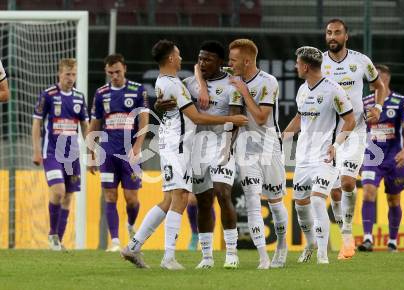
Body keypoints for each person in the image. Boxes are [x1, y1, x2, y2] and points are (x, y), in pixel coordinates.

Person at [120, 39, 247, 270]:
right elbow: (196, 118)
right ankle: (169, 257)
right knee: (179, 197)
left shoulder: (168, 81)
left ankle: (133, 246)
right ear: (170, 58)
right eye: (178, 55)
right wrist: (231, 118)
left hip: (180, 144)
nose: (183, 59)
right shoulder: (178, 85)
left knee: (170, 200)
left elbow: (171, 99)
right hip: (178, 144)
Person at [322, 18, 387, 260]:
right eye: (329, 32)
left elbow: (378, 85)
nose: (332, 37)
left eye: (337, 33)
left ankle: (347, 237)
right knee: (335, 191)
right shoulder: (319, 62)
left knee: (348, 183)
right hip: (326, 132)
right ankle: (346, 237)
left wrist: (378, 107)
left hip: (355, 130)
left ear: (346, 36)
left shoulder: (361, 61)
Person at [284, 46, 355, 264]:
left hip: (325, 157)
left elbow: (350, 120)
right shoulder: (302, 90)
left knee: (316, 201)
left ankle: (323, 256)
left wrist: (337, 144)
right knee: (300, 206)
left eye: (297, 63)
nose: (296, 66)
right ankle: (311, 243)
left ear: (305, 66)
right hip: (303, 158)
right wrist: (283, 136)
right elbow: (300, 117)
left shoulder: (333, 89)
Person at [228, 38, 289, 269]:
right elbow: (235, 117)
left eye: (233, 60)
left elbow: (262, 118)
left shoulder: (268, 82)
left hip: (269, 146)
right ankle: (263, 257)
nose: (229, 63)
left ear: (246, 61)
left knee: (275, 202)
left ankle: (281, 246)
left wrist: (243, 91)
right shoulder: (234, 83)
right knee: (253, 201)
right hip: (245, 147)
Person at [184, 40, 241, 269]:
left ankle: (231, 253)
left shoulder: (232, 85)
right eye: (200, 59)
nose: (202, 63)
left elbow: (236, 119)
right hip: (197, 147)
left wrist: (228, 148)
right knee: (203, 201)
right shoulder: (189, 84)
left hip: (221, 144)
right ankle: (206, 257)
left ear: (220, 62)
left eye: (207, 59)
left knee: (222, 193)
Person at [87, 54, 149, 252]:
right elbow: (94, 124)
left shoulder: (138, 90)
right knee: (110, 196)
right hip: (107, 152)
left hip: (129, 152)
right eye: (111, 72)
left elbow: (144, 121)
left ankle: (130, 224)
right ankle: (114, 242)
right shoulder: (101, 93)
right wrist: (90, 153)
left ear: (125, 69)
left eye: (118, 72)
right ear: (106, 72)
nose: (115, 76)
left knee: (132, 199)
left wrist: (138, 146)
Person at [32, 58, 88, 250]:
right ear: (59, 74)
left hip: (72, 155)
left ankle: (57, 241)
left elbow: (85, 125)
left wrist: (91, 151)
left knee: (68, 197)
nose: (71, 78)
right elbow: (37, 122)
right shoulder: (48, 95)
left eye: (73, 74)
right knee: (58, 191)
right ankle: (52, 235)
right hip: (52, 153)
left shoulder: (79, 97)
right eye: (67, 74)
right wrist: (37, 151)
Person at [358, 64, 404, 252]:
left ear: (386, 78)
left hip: (393, 155)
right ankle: (367, 239)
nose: (373, 80)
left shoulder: (401, 100)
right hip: (372, 155)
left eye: (377, 76)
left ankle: (392, 241)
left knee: (393, 200)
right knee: (367, 191)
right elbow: (357, 129)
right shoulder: (364, 101)